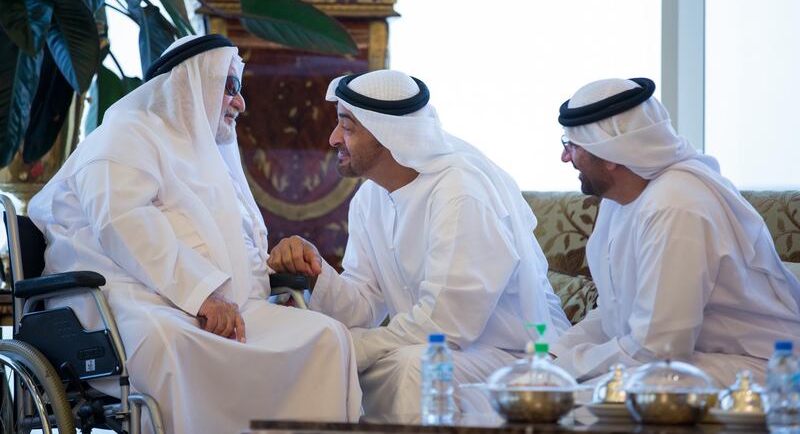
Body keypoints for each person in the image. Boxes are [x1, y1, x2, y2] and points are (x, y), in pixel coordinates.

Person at [28, 34, 361, 434]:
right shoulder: (126, 134)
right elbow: (123, 222)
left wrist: (262, 281)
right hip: (122, 300)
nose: (240, 103)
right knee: (172, 345)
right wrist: (203, 294)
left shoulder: (208, 158)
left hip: (217, 302)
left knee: (325, 337)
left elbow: (238, 242)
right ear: (190, 84)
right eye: (230, 87)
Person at [268, 69, 570, 417]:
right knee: (333, 368)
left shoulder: (460, 192)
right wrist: (316, 274)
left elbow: (448, 324)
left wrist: (349, 346)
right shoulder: (370, 197)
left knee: (416, 370)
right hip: (433, 349)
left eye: (347, 126)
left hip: (519, 355)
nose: (334, 138)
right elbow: (366, 301)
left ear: (388, 134)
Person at [552, 77, 800, 385]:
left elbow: (659, 347)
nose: (565, 157)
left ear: (610, 155)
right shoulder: (621, 200)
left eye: (572, 146)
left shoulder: (674, 204)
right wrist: (551, 358)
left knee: (590, 399)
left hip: (759, 366)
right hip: (685, 360)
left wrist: (564, 371)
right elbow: (613, 312)